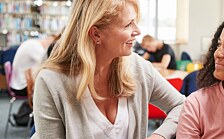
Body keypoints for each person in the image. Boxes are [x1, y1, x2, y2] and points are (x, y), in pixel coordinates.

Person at [31, 0, 185, 139]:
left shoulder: (138, 67)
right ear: (96, 34)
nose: (137, 31)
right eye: (128, 24)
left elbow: (182, 106)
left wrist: (159, 136)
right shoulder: (51, 82)